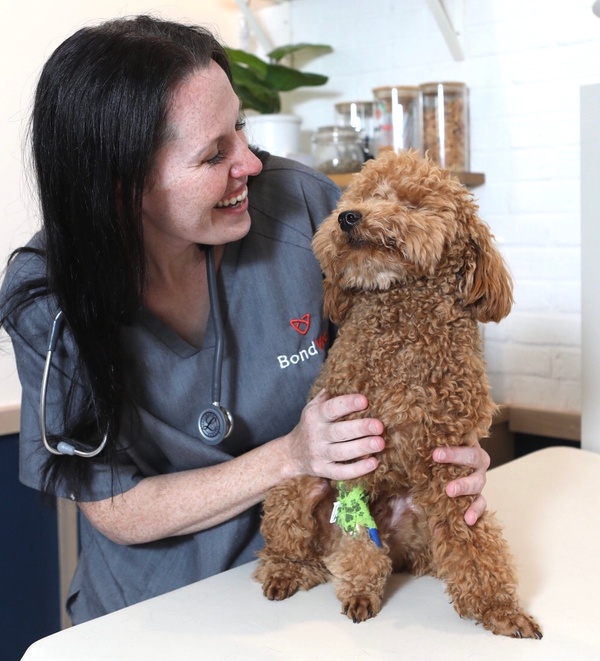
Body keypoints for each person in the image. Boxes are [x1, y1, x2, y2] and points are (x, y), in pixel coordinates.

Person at [0, 15, 490, 624]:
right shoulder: (50, 295)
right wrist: (293, 455)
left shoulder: (301, 206)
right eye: (213, 154)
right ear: (124, 186)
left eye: (241, 130)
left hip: (323, 585)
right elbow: (115, 509)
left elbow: (412, 330)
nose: (250, 165)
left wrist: (451, 445)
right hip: (154, 612)